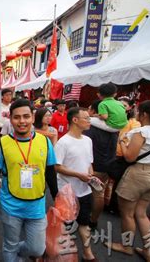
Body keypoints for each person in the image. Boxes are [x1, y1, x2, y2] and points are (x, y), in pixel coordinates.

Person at [0, 99, 58, 262]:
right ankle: (11, 253)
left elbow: (50, 172)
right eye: (17, 117)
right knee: (10, 244)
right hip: (10, 205)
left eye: (26, 116)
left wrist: (57, 197)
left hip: (37, 205)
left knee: (37, 248)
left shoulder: (45, 142)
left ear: (33, 117)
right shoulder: (3, 143)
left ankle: (13, 251)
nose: (22, 121)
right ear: (10, 119)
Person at [107, 100, 150, 262]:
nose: (136, 113)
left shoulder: (141, 132)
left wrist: (122, 142)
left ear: (145, 114)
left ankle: (127, 246)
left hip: (138, 174)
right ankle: (147, 251)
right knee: (142, 214)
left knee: (127, 214)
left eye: (138, 111)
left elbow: (129, 157)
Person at [55, 107, 98, 262]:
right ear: (75, 120)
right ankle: (59, 255)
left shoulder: (88, 140)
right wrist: (78, 175)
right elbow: (57, 167)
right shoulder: (63, 142)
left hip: (84, 190)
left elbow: (89, 162)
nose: (89, 121)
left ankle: (88, 253)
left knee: (84, 223)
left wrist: (90, 174)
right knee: (64, 226)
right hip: (67, 192)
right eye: (86, 118)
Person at [83, 100, 119, 231]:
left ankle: (82, 218)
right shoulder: (114, 127)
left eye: (89, 108)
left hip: (91, 165)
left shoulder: (89, 127)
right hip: (107, 165)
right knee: (99, 193)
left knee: (83, 192)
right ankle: (94, 221)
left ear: (93, 110)